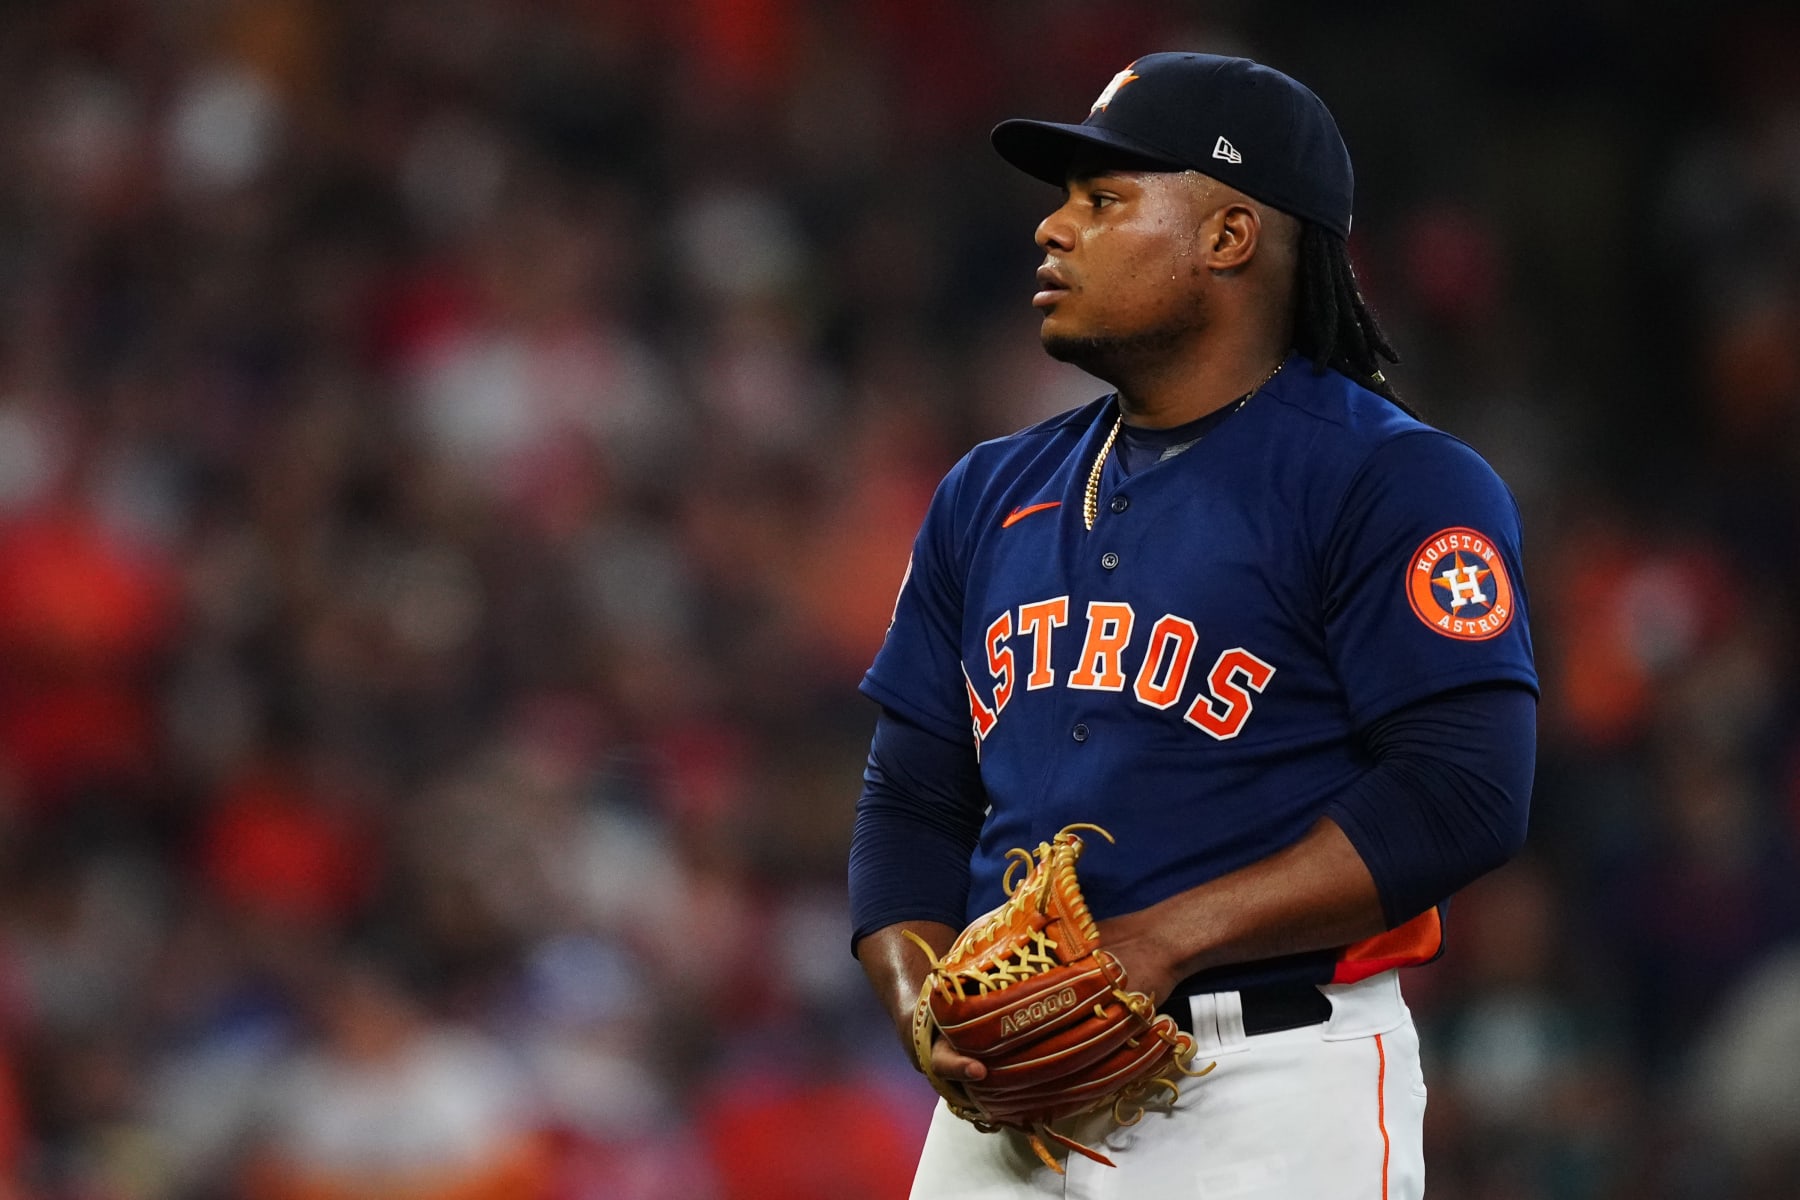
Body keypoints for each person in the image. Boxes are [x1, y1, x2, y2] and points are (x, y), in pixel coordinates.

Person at [848, 52, 1538, 1198]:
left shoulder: (1393, 483)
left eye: (1103, 200)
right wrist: (926, 1008)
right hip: (1007, 1104)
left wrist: (1163, 938)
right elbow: (912, 795)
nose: (1052, 230)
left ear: (1228, 236)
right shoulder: (988, 489)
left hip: (1267, 1087)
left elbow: (1460, 792)